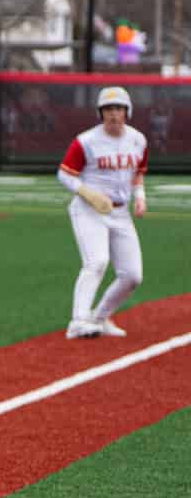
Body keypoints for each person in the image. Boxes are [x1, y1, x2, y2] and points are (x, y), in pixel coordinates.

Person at [60, 85, 148, 338]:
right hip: (89, 210)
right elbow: (64, 174)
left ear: (127, 111)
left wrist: (140, 197)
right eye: (108, 108)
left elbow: (138, 173)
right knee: (96, 261)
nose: (114, 113)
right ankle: (78, 321)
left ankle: (99, 318)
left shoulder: (138, 139)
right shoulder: (86, 141)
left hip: (120, 212)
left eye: (119, 108)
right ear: (100, 112)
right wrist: (88, 193)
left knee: (132, 275)